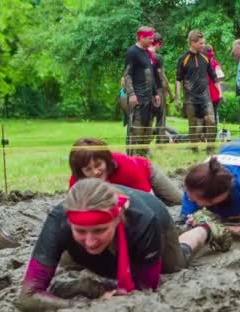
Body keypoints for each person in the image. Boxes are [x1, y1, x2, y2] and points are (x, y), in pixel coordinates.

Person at [16, 179, 231, 312]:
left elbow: (146, 288)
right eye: (80, 231)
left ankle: (204, 227)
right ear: (69, 223)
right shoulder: (58, 221)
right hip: (110, 236)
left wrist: (110, 294)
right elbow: (28, 296)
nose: (90, 240)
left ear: (117, 219)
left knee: (176, 264)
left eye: (99, 230)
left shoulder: (143, 222)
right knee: (69, 260)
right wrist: (82, 306)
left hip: (157, 220)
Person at [68, 137, 182, 206]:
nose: (95, 172)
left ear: (106, 160)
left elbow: (149, 199)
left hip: (146, 172)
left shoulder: (125, 165)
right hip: (119, 193)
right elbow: (73, 207)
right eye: (88, 169)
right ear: (80, 171)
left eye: (98, 165)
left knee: (177, 199)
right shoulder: (77, 180)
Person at [175, 30, 221, 153]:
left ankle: (210, 148)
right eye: (200, 43)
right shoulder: (183, 59)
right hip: (190, 98)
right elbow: (178, 79)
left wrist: (220, 92)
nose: (203, 45)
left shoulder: (205, 57)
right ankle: (194, 148)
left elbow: (213, 76)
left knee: (211, 121)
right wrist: (177, 97)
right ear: (192, 43)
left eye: (203, 43)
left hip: (206, 97)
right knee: (193, 124)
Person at [122, 26, 161, 156]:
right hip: (137, 96)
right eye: (149, 38)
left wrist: (155, 93)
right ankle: (133, 155)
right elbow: (127, 75)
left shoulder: (147, 53)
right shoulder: (132, 52)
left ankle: (143, 154)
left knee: (148, 127)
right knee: (137, 128)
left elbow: (151, 75)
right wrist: (132, 94)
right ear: (141, 37)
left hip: (149, 97)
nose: (152, 40)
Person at [149, 33, 175, 144]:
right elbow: (162, 77)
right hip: (158, 90)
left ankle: (144, 142)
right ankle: (160, 141)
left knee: (148, 119)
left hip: (145, 91)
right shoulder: (157, 57)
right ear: (158, 44)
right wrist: (170, 93)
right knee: (161, 118)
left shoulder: (142, 55)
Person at [203, 44, 225, 129]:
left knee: (205, 115)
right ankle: (213, 133)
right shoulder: (215, 64)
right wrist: (221, 93)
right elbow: (220, 78)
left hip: (206, 94)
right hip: (215, 94)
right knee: (214, 114)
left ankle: (204, 133)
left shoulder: (202, 63)